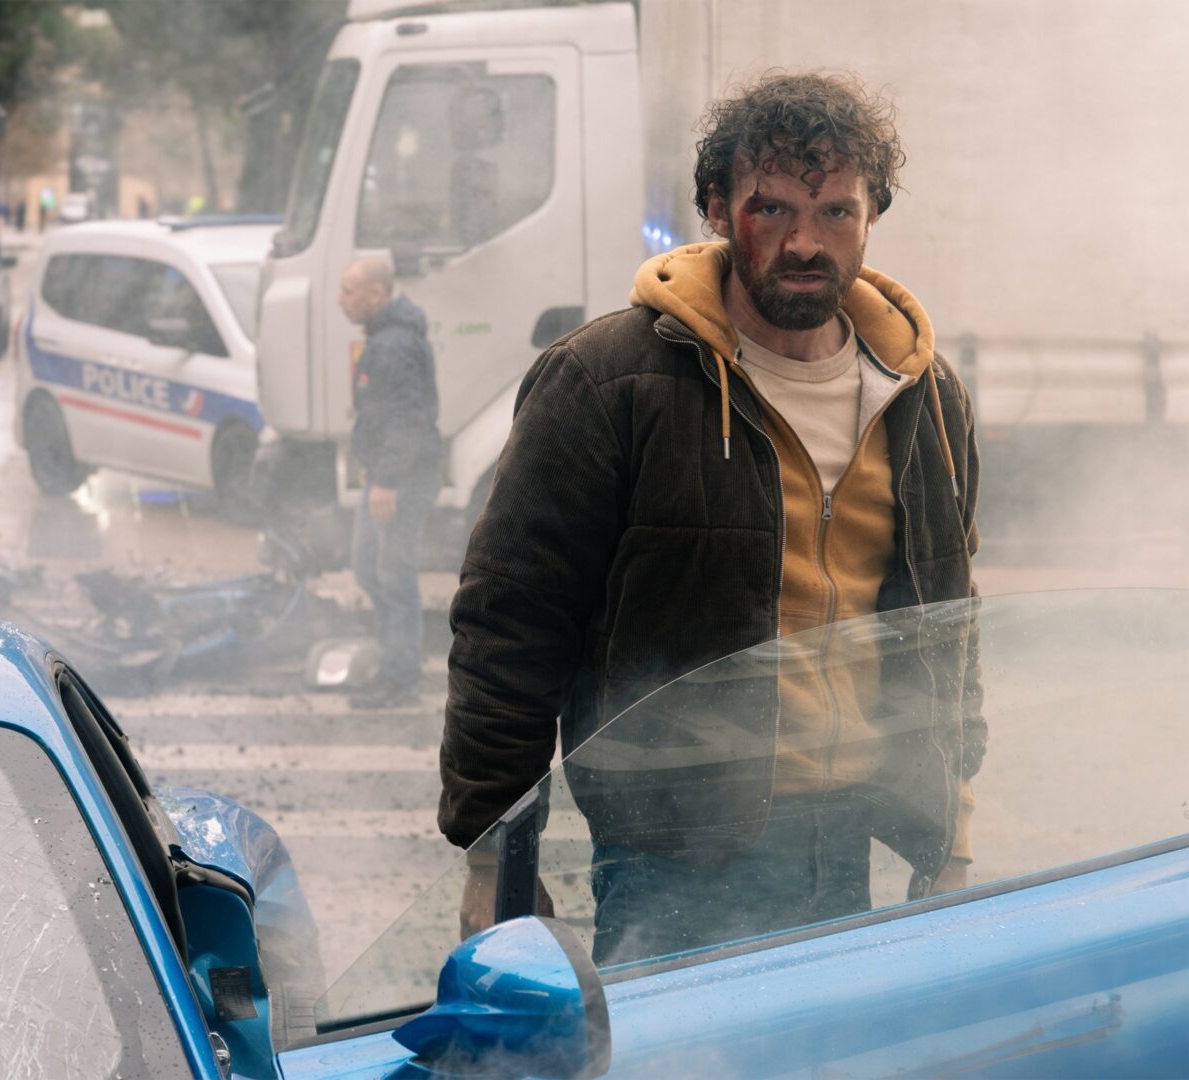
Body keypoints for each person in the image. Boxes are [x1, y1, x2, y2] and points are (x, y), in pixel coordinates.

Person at [440, 72, 983, 963]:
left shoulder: (923, 394)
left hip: (850, 841)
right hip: (671, 856)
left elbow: (950, 625)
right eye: (771, 209)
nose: (806, 242)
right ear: (717, 209)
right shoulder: (608, 381)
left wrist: (950, 842)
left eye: (836, 212)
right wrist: (492, 853)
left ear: (873, 214)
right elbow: (511, 622)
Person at [341, 257, 445, 708]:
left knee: (392, 572)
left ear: (376, 294)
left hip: (402, 479)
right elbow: (382, 414)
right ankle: (394, 664)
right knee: (368, 566)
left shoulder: (395, 344)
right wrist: (372, 464)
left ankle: (399, 679)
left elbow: (408, 418)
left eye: (348, 290)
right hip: (388, 473)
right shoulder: (384, 339)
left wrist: (386, 479)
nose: (340, 300)